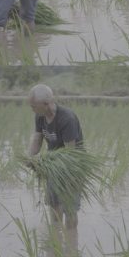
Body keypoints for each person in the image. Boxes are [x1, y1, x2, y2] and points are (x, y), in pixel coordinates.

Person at [27, 84, 84, 229]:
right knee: (54, 204)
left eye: (34, 105)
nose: (31, 108)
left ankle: (71, 243)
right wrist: (30, 158)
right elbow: (37, 139)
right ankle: (57, 237)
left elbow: (69, 153)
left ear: (46, 104)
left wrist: (45, 162)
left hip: (72, 168)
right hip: (53, 167)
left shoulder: (67, 118)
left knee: (69, 209)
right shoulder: (40, 116)